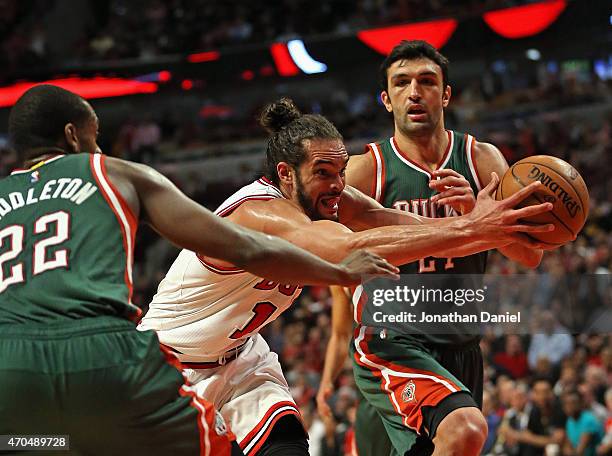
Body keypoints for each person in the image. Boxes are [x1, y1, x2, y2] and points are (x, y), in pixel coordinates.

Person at [0, 85, 401, 456]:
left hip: (14, 362)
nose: (99, 147)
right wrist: (339, 272)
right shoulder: (112, 173)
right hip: (116, 352)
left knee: (36, 443)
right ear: (73, 136)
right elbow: (246, 247)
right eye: (94, 135)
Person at [139, 97, 553, 456]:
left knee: (286, 445)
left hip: (242, 360)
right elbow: (348, 250)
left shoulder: (330, 199)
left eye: (340, 170)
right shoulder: (258, 213)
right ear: (285, 174)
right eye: (323, 172)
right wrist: (477, 228)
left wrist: (498, 230)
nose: (338, 184)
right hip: (167, 365)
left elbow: (410, 230)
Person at [317, 40, 558, 456]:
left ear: (445, 94)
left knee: (460, 438)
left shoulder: (482, 159)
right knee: (464, 430)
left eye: (427, 81)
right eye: (402, 83)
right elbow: (335, 260)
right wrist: (465, 226)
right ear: (386, 100)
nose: (414, 91)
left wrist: (478, 215)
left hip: (462, 346)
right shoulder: (364, 169)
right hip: (395, 341)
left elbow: (530, 254)